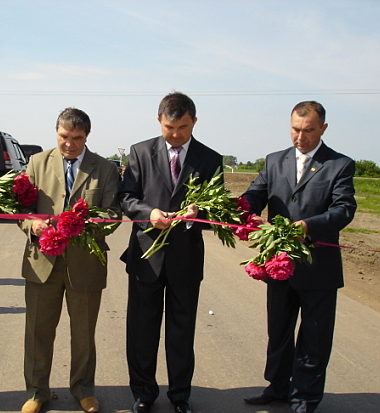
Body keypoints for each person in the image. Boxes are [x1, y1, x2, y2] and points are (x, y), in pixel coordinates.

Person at [242, 101, 356, 413]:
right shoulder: (274, 161)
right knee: (278, 329)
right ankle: (277, 387)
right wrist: (244, 209)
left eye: (308, 130)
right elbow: (255, 194)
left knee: (315, 336)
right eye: (295, 129)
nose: (300, 136)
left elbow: (344, 209)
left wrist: (308, 226)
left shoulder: (339, 165)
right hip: (280, 265)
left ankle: (305, 397)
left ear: (323, 129)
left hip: (318, 267)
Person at [119, 92, 223, 413]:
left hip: (186, 259)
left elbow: (216, 208)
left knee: (181, 330)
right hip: (146, 256)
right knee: (142, 329)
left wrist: (199, 212)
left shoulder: (209, 159)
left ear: (194, 122)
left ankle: (180, 395)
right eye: (169, 127)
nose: (176, 135)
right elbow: (126, 198)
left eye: (183, 127)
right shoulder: (140, 152)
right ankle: (143, 393)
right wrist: (149, 213)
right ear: (158, 120)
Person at [18, 108, 121, 413]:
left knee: (83, 334)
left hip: (85, 266)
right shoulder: (37, 163)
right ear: (56, 132)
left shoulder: (104, 169)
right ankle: (37, 392)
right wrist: (32, 225)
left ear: (87, 136)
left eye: (77, 138)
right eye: (64, 136)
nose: (69, 144)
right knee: (38, 331)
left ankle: (83, 388)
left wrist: (85, 225)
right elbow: (19, 208)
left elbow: (114, 215)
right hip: (42, 263)